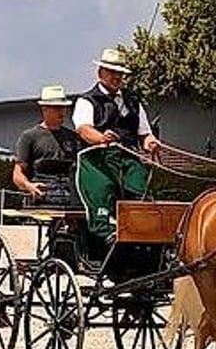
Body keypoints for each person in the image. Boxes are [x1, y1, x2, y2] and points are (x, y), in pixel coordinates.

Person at [72, 47, 160, 243]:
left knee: (141, 190)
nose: (116, 77)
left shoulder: (133, 101)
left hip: (128, 158)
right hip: (97, 160)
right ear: (100, 73)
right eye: (112, 72)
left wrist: (151, 143)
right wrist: (102, 138)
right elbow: (83, 130)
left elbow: (144, 134)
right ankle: (105, 229)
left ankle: (144, 233)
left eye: (119, 73)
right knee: (102, 188)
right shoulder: (87, 101)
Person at [13, 84, 80, 207]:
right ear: (44, 109)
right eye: (56, 108)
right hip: (43, 197)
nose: (61, 112)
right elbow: (18, 173)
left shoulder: (73, 137)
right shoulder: (30, 137)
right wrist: (29, 186)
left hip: (70, 197)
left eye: (63, 108)